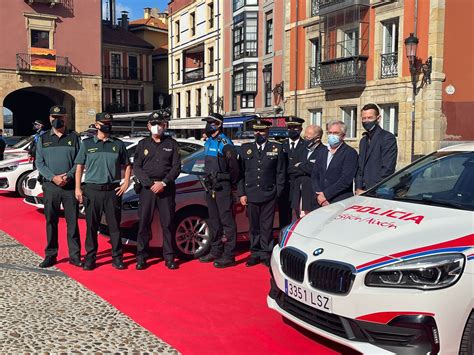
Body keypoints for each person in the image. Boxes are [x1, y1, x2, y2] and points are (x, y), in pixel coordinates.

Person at [74, 113, 131, 271]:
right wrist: (78, 188)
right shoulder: (86, 144)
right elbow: (79, 167)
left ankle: (117, 257)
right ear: (96, 125)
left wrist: (126, 182)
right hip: (92, 190)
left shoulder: (118, 144)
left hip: (112, 191)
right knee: (92, 226)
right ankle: (90, 258)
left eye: (109, 123)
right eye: (104, 123)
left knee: (114, 226)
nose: (107, 125)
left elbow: (127, 165)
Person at [133, 112, 182, 270]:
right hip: (147, 189)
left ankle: (169, 256)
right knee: (144, 224)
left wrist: (164, 182)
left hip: (165, 188)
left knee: (167, 224)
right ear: (148, 126)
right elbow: (137, 167)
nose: (157, 127)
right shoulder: (142, 144)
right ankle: (141, 256)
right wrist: (148, 183)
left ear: (165, 126)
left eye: (160, 124)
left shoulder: (172, 144)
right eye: (154, 124)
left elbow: (176, 167)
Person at [34, 105, 82, 268]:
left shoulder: (74, 138)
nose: (57, 120)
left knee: (72, 223)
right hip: (51, 186)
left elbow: (79, 161)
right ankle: (50, 255)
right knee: (51, 222)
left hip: (69, 187)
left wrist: (68, 176)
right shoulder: (43, 139)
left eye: (60, 117)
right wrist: (53, 178)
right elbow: (39, 163)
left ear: (66, 118)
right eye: (54, 118)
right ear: (49, 119)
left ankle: (74, 256)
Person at [238, 118, 285, 267]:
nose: (259, 133)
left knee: (267, 226)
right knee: (254, 226)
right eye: (256, 130)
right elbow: (241, 173)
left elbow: (280, 173)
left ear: (268, 131)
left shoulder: (276, 148)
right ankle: (255, 252)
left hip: (269, 193)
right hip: (251, 193)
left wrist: (278, 192)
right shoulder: (246, 148)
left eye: (262, 130)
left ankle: (266, 253)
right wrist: (242, 193)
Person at [198, 113, 240, 268]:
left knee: (226, 221)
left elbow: (234, 168)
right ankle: (216, 250)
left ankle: (229, 255)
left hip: (222, 186)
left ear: (218, 124)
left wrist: (230, 182)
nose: (208, 125)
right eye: (207, 122)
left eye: (210, 123)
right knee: (214, 220)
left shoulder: (225, 143)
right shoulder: (208, 142)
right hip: (210, 186)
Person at [311, 120, 358, 206]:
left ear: (343, 136)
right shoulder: (322, 151)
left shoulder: (350, 153)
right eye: (330, 132)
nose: (332, 135)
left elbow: (345, 180)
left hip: (339, 201)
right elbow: (315, 175)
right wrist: (319, 195)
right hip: (319, 201)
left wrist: (326, 195)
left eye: (336, 133)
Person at [355, 104, 398, 194]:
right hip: (361, 191)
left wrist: (372, 190)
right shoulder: (363, 140)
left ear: (378, 118)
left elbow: (388, 168)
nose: (366, 121)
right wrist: (358, 187)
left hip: (378, 191)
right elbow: (360, 167)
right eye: (364, 118)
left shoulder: (387, 138)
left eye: (370, 118)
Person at [291, 125, 325, 216]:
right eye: (304, 137)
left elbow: (316, 170)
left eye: (308, 137)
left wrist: (300, 165)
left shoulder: (324, 151)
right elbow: (291, 168)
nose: (305, 139)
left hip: (311, 196)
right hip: (298, 193)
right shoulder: (301, 150)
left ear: (317, 138)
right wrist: (306, 168)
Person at [279, 116, 307, 223]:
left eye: (294, 128)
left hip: (299, 186)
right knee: (284, 217)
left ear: (300, 129)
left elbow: (305, 167)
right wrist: (295, 167)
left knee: (301, 217)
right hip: (285, 187)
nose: (291, 130)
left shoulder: (305, 145)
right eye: (289, 127)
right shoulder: (281, 145)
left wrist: (292, 169)